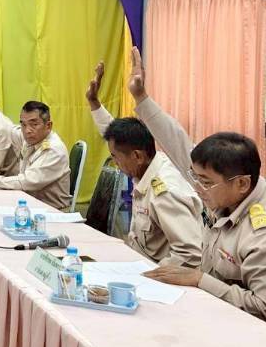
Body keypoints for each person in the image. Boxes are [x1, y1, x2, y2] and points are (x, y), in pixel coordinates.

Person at [127, 48, 266, 336]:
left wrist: (199, 280)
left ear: (242, 183)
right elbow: (178, 145)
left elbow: (265, 310)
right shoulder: (225, 193)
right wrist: (141, 98)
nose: (198, 188)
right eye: (197, 179)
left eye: (206, 182)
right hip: (217, 318)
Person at [86, 61, 203, 267]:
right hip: (136, 260)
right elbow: (116, 136)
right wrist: (94, 102)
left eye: (115, 157)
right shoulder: (146, 165)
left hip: (153, 274)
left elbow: (190, 255)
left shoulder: (165, 192)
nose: (115, 163)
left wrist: (147, 275)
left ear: (137, 156)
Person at [0, 82, 72, 211]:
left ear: (48, 125)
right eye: (23, 124)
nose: (27, 130)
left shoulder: (53, 150)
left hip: (52, 211)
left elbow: (26, 182)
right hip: (28, 203)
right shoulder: (27, 138)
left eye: (34, 124)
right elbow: (1, 124)